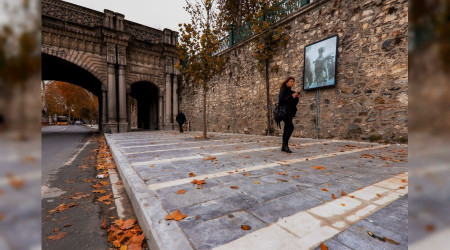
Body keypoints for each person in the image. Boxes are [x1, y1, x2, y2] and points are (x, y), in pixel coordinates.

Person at [278, 76, 299, 153]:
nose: (292, 83)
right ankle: (285, 145)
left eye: (293, 82)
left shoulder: (292, 92)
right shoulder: (283, 90)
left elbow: (294, 104)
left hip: (290, 113)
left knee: (287, 128)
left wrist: (296, 98)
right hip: (284, 113)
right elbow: (281, 100)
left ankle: (284, 146)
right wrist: (291, 96)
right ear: (287, 82)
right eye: (291, 81)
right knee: (291, 127)